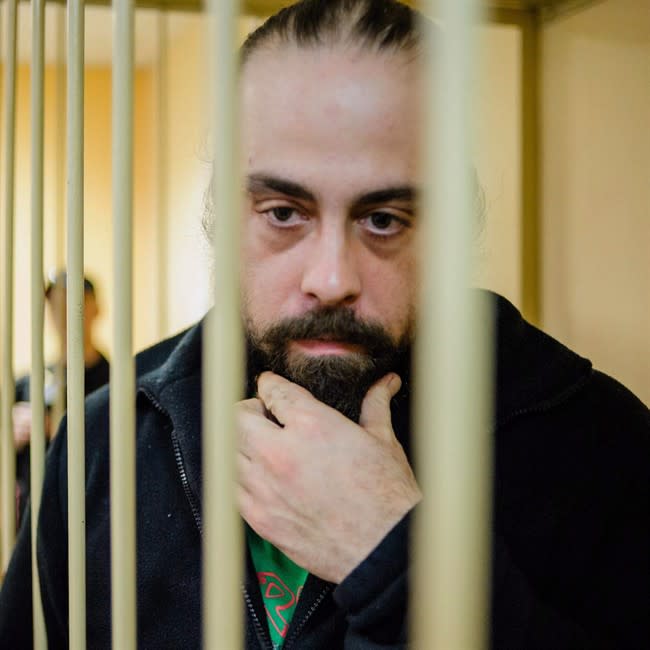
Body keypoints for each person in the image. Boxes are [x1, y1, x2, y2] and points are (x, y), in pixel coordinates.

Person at [0, 1, 648, 648]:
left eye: (384, 219)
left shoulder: (595, 448)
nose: (332, 278)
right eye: (283, 212)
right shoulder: (105, 444)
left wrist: (395, 562)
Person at [13, 271, 109, 527]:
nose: (62, 311)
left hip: (93, 516)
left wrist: (54, 428)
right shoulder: (28, 384)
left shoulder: (117, 381)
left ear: (96, 309)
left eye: (73, 302)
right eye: (55, 304)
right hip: (32, 520)